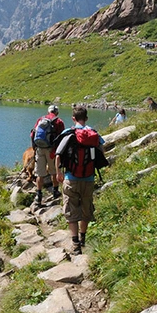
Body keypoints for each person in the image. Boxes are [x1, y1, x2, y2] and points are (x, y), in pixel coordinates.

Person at [55, 105, 105, 255]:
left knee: (71, 210)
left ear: (73, 118)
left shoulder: (68, 133)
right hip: (89, 179)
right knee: (86, 209)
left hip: (71, 178)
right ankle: (83, 239)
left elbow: (58, 154)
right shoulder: (94, 134)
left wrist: (58, 172)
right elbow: (102, 151)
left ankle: (75, 244)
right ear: (87, 118)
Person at [31, 104, 65, 205]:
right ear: (57, 112)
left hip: (39, 149)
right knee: (53, 172)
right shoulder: (59, 122)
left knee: (39, 174)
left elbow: (33, 134)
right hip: (51, 151)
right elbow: (62, 138)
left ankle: (39, 195)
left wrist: (34, 147)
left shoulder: (40, 119)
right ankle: (55, 192)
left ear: (48, 111)